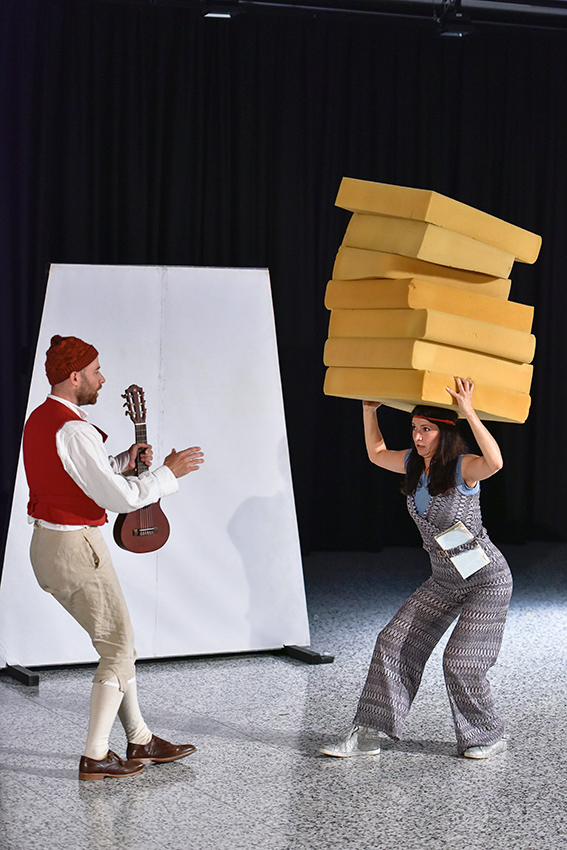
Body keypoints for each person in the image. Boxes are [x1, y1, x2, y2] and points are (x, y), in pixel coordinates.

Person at [23, 334, 205, 780]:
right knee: (120, 648)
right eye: (96, 371)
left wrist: (124, 459)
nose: (102, 379)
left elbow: (79, 475)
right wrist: (167, 473)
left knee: (117, 645)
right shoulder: (74, 429)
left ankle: (140, 739)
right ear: (74, 376)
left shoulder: (42, 419)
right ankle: (96, 755)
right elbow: (119, 498)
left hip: (51, 545)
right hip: (75, 548)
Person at [320, 377, 512, 760]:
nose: (418, 437)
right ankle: (369, 734)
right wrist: (369, 410)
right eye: (414, 429)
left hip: (485, 580)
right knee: (391, 642)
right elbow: (377, 453)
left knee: (460, 661)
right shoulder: (413, 464)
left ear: (445, 432)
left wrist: (469, 411)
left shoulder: (462, 468)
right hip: (444, 580)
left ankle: (488, 736)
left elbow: (495, 462)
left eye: (426, 430)